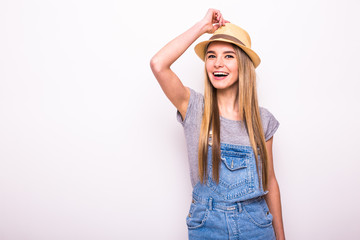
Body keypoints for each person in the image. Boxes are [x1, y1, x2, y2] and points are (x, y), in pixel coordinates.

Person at [150, 9, 285, 240]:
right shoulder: (193, 108)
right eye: (211, 56)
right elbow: (158, 64)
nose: (217, 64)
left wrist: (281, 237)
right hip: (207, 226)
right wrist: (202, 26)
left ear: (243, 64)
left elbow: (270, 181)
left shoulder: (263, 120)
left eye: (228, 56)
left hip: (256, 225)